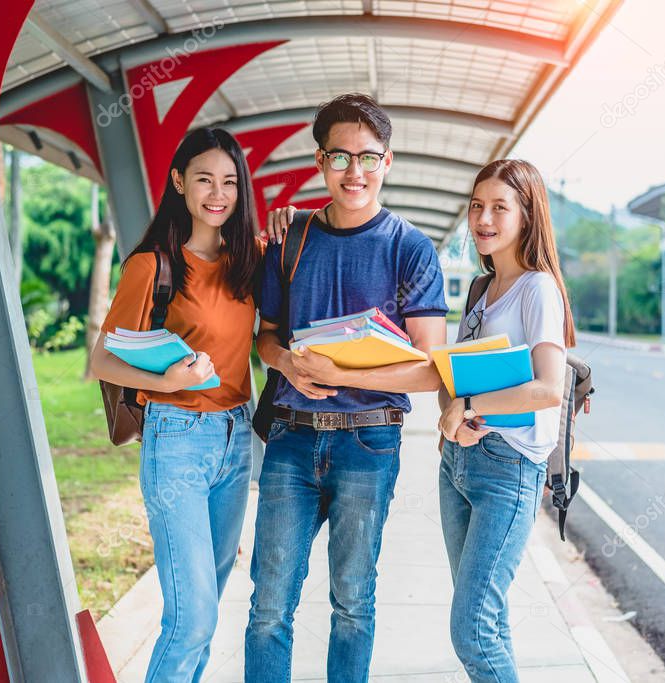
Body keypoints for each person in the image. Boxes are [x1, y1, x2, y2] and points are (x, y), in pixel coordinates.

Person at [244, 93, 449, 682]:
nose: (353, 171)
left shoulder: (410, 249)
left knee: (352, 604)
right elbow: (267, 337)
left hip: (370, 443)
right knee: (268, 608)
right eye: (340, 157)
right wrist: (287, 361)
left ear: (388, 162)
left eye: (368, 157)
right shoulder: (293, 237)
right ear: (319, 161)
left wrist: (341, 375)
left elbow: (432, 368)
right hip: (291, 438)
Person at [90, 126, 272, 682]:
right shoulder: (152, 265)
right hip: (177, 440)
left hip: (236, 441)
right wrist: (168, 384)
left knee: (207, 609)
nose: (217, 194)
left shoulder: (251, 261)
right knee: (190, 617)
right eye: (203, 180)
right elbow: (103, 360)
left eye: (229, 182)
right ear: (178, 183)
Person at [436, 159, 576, 682]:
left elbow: (547, 389)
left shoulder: (538, 289)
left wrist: (470, 409)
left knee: (471, 628)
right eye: (477, 206)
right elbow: (461, 377)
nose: (483, 218)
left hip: (508, 470)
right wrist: (453, 419)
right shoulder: (482, 288)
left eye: (499, 207)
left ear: (527, 215)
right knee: (485, 621)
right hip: (459, 464)